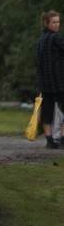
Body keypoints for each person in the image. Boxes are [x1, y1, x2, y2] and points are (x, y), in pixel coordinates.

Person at [35, 10, 64, 149]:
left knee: (47, 111)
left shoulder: (40, 40)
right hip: (58, 81)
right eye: (54, 22)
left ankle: (49, 140)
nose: (56, 25)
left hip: (44, 82)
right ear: (47, 23)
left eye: (58, 22)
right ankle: (63, 137)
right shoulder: (55, 38)